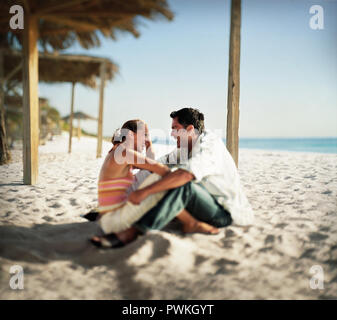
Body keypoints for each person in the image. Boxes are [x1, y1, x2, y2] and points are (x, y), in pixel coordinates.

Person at [89, 119, 220, 248]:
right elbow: (159, 169)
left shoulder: (117, 150)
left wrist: (149, 145)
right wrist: (179, 179)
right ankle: (191, 222)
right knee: (163, 178)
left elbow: (148, 166)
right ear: (130, 135)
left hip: (107, 220)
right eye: (144, 135)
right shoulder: (124, 152)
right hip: (115, 222)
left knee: (158, 179)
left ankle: (181, 213)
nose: (146, 139)